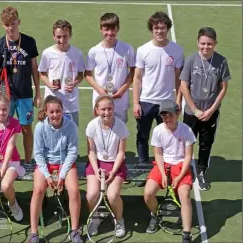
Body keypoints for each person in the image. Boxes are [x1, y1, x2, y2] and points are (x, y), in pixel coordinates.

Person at [132, 11, 184, 181]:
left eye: (163, 28)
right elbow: (137, 77)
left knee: (167, 136)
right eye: (156, 28)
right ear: (151, 29)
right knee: (143, 135)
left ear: (168, 28)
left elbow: (179, 79)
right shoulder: (143, 50)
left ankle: (166, 168)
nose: (159, 31)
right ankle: (143, 166)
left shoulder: (176, 50)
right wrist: (135, 103)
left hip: (167, 102)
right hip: (146, 101)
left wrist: (178, 101)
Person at [180, 27, 231, 191]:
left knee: (205, 144)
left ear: (215, 43)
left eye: (209, 44)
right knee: (186, 142)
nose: (206, 47)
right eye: (203, 43)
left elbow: (223, 88)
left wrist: (211, 110)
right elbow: (184, 86)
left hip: (210, 113)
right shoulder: (191, 60)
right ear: (197, 43)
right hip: (191, 112)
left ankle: (201, 171)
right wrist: (195, 110)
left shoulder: (221, 61)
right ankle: (183, 170)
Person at [0, 6, 42, 164]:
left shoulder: (29, 42)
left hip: (25, 94)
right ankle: (5, 159)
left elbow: (34, 68)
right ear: (2, 25)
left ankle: (27, 161)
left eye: (13, 23)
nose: (10, 28)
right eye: (7, 25)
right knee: (3, 128)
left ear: (18, 22)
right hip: (6, 96)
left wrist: (38, 92)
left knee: (26, 129)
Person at [29, 95, 82, 243]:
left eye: (58, 111)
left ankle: (75, 230)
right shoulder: (40, 127)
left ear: (62, 111)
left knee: (74, 191)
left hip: (65, 163)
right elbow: (38, 154)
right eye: (51, 112)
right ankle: (33, 233)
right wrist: (47, 175)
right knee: (38, 190)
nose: (55, 115)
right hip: (45, 163)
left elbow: (73, 152)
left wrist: (62, 175)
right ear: (46, 112)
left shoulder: (71, 126)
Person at [143, 99, 196, 243]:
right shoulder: (158, 130)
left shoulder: (187, 130)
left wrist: (179, 177)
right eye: (164, 115)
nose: (167, 118)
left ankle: (186, 233)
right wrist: (162, 172)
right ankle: (155, 215)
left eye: (170, 114)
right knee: (148, 194)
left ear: (177, 113)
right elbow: (158, 154)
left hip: (180, 165)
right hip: (163, 165)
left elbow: (188, 156)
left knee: (184, 195)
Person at [85, 95, 130, 238]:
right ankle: (95, 218)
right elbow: (91, 152)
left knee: (112, 195)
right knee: (91, 195)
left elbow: (121, 152)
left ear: (114, 109)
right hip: (96, 164)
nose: (106, 112)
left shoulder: (121, 126)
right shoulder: (92, 126)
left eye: (109, 109)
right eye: (103, 109)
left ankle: (119, 219)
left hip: (116, 164)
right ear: (97, 110)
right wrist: (96, 168)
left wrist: (113, 171)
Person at [85, 13, 135, 123]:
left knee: (119, 134)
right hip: (100, 101)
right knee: (100, 133)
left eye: (113, 29)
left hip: (120, 101)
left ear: (118, 29)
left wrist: (122, 89)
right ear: (101, 29)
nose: (110, 33)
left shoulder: (127, 49)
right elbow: (87, 74)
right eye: (106, 29)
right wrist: (100, 90)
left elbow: (133, 71)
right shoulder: (94, 51)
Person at [38, 19, 85, 126]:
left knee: (72, 133)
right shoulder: (47, 53)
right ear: (54, 36)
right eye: (59, 37)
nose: (62, 40)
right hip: (52, 101)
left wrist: (75, 83)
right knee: (51, 133)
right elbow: (42, 73)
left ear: (70, 35)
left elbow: (80, 74)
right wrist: (49, 84)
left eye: (65, 36)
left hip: (71, 103)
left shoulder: (77, 53)